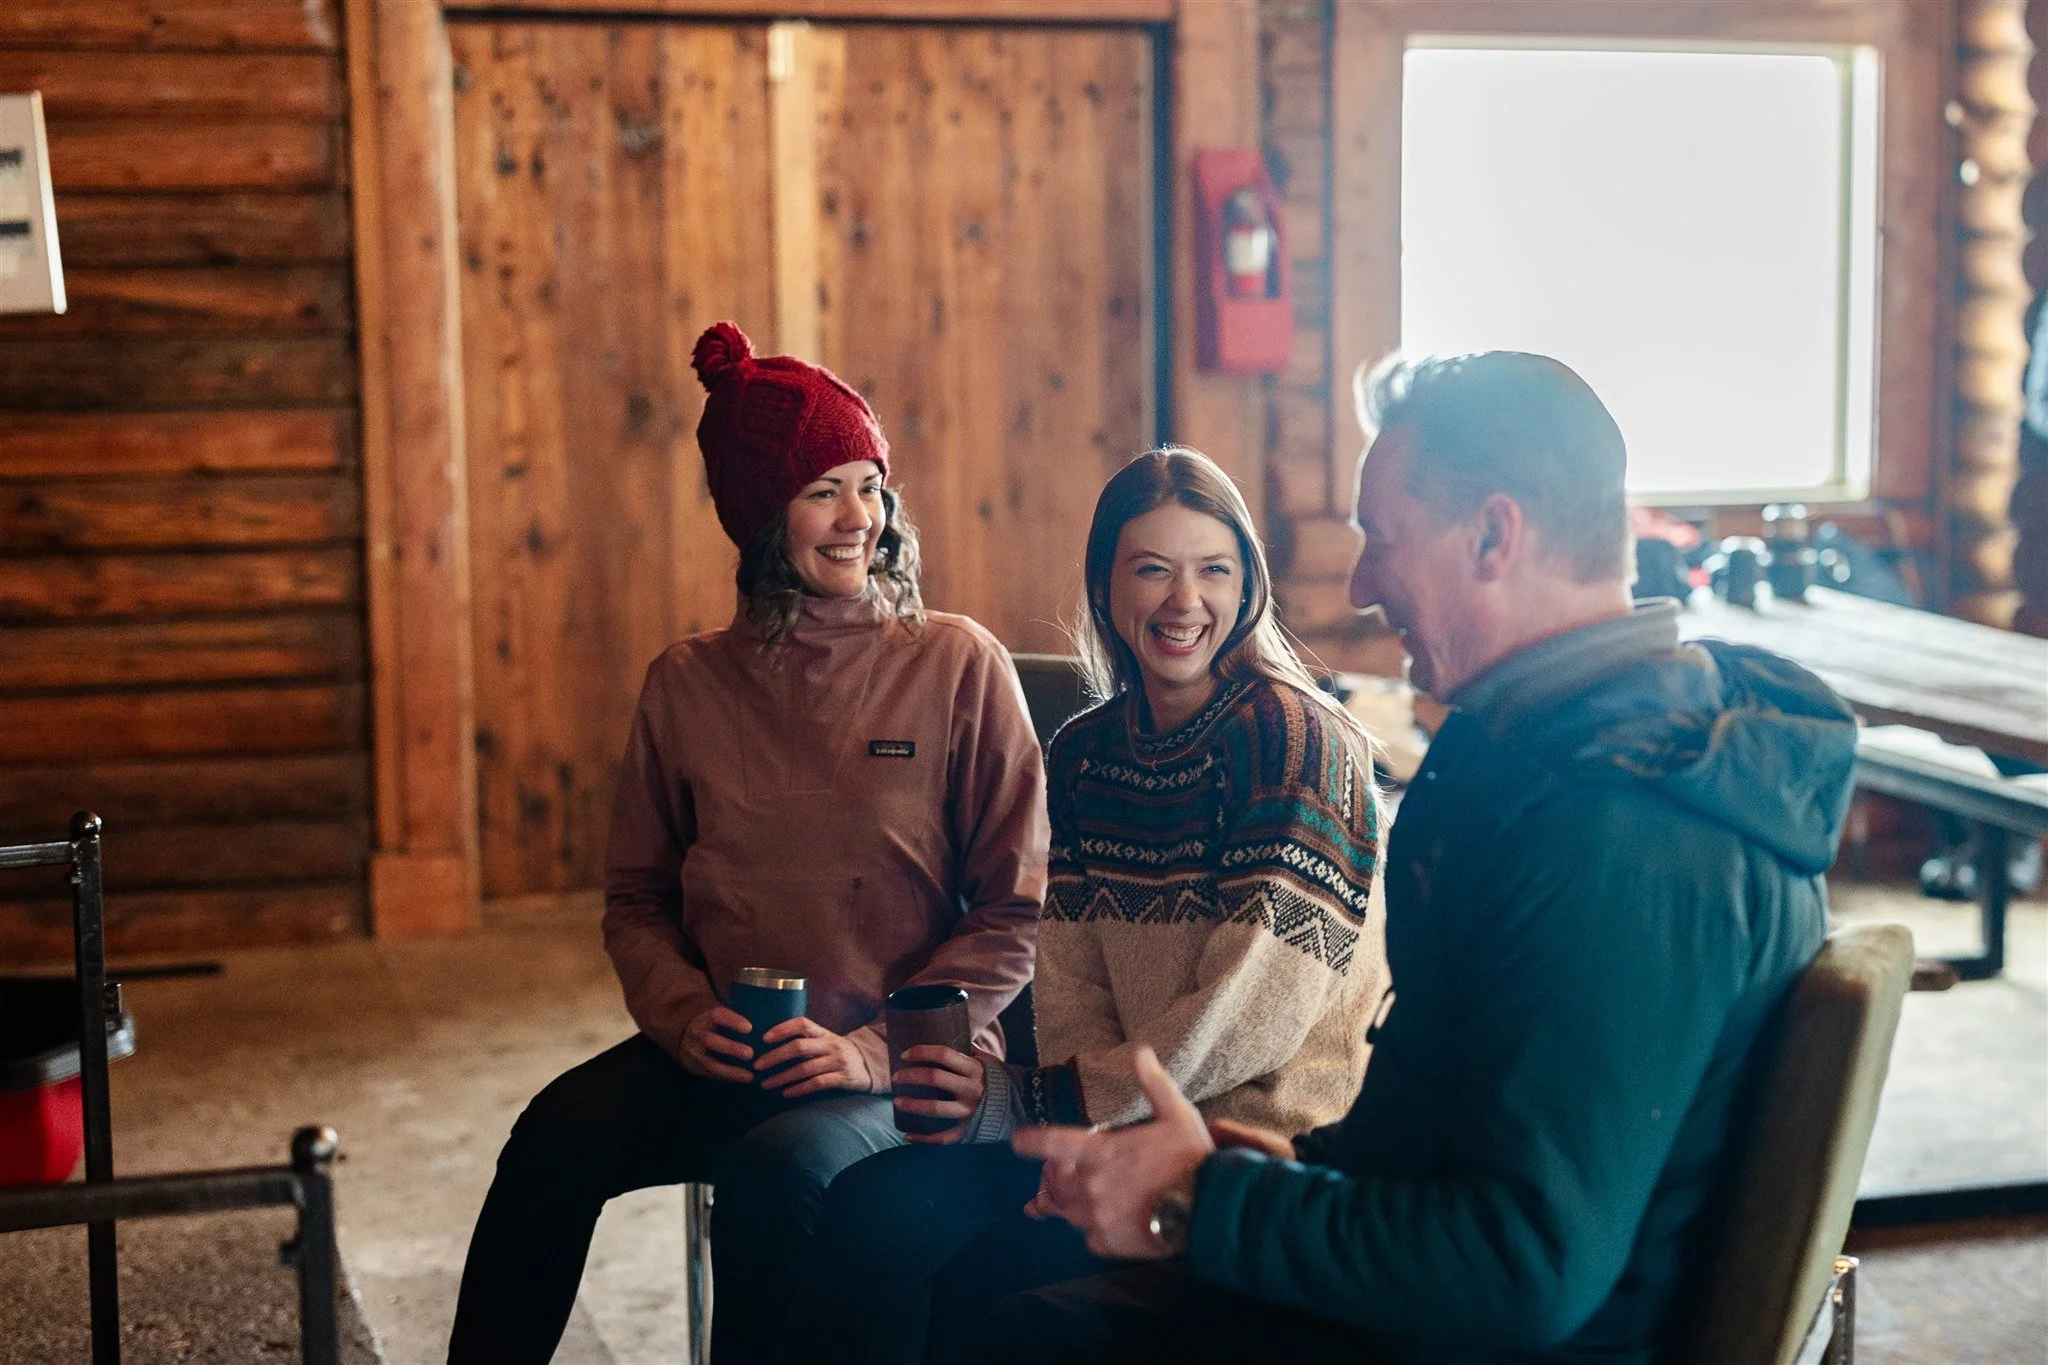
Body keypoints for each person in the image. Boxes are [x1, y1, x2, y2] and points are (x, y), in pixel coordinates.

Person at [994, 352, 1861, 1365]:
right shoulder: (1556, 765)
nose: (1359, 585)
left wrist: (1207, 1204)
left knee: (1021, 1331)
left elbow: (1520, 1269)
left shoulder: (1618, 834)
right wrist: (1231, 1164)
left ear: (1493, 534)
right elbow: (1445, 1139)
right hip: (1443, 1310)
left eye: (1380, 540)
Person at [446, 322, 1048, 1365]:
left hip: (889, 1073)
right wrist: (683, 1020)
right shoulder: (685, 683)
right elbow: (636, 899)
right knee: (555, 1133)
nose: (858, 516)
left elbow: (1014, 912)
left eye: (869, 485)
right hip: (724, 1051)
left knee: (775, 1174)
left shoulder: (956, 664)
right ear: (759, 514)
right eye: (823, 490)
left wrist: (867, 1051)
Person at [786, 447, 1389, 1365]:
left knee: (992, 1299)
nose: (1184, 600)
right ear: (1106, 590)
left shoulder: (1295, 739)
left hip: (1255, 1152)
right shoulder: (1086, 753)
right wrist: (1058, 1126)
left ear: (1249, 586)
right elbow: (1067, 976)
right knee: (874, 1215)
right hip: (1115, 1123)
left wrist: (1042, 1102)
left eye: (1213, 569)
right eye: (1152, 569)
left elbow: (1252, 1019)